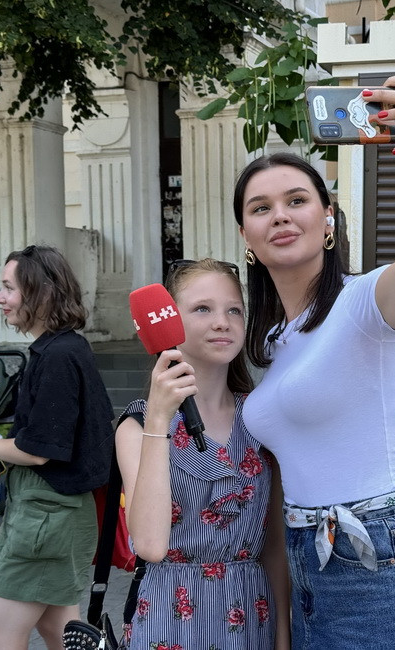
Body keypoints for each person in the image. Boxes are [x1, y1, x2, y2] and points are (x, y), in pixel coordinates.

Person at [233, 73, 395, 649]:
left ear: (328, 220)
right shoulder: (271, 339)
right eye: (261, 207)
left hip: (383, 560)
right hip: (310, 562)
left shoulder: (364, 302)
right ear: (246, 235)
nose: (281, 216)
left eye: (297, 201)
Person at [115, 258, 290, 650]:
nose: (222, 322)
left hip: (250, 614)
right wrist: (160, 419)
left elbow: (275, 545)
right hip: (169, 618)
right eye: (202, 309)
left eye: (234, 310)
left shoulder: (260, 418)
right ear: (170, 323)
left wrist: (283, 636)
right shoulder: (138, 426)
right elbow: (149, 544)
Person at [0, 245, 115, 649]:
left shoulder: (58, 355)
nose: (0, 298)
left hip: (47, 517)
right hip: (56, 516)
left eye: (9, 288)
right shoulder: (64, 349)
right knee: (61, 633)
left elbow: (39, 449)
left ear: (43, 293)